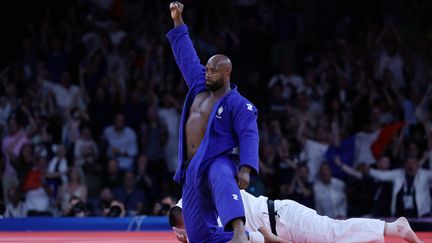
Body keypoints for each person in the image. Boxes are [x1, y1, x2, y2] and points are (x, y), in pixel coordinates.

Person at [166, 2, 260, 242]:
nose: (207, 73)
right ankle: (252, 240)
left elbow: (249, 134)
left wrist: (246, 168)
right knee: (200, 237)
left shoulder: (238, 103)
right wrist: (178, 20)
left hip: (217, 159)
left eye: (213, 71)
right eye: (207, 69)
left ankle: (239, 232)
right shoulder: (198, 85)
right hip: (191, 168)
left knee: (220, 174)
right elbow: (186, 55)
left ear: (226, 73)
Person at [170, 190, 422, 243]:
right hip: (274, 226)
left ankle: (393, 228)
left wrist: (267, 238)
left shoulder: (202, 208)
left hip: (281, 219)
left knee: (333, 232)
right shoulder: (190, 209)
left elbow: (254, 238)